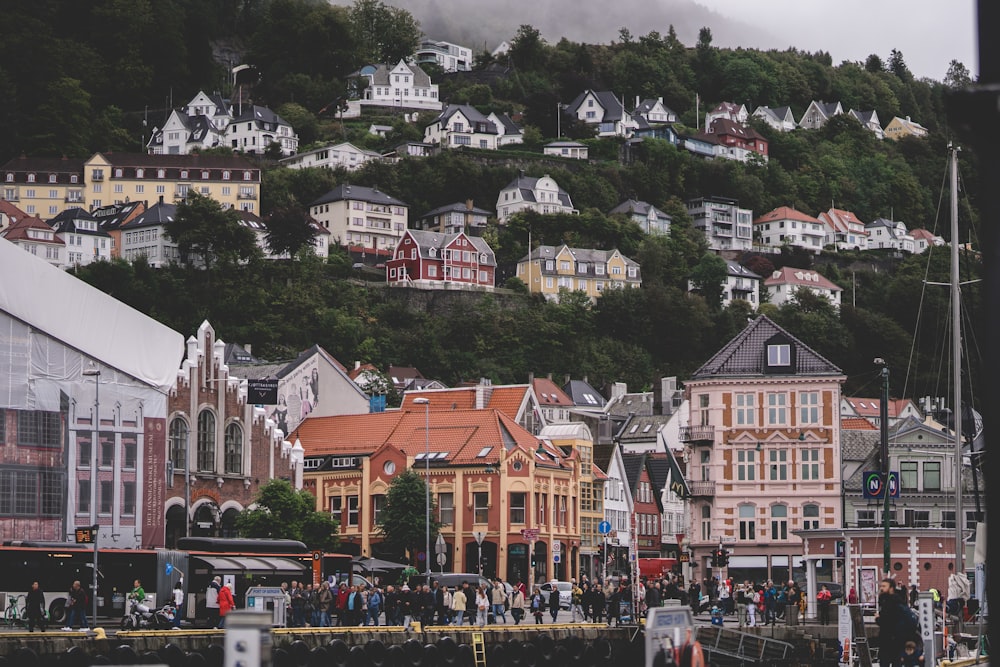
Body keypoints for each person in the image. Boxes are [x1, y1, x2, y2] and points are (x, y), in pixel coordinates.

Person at [876, 578, 909, 667]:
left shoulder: (890, 601)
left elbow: (887, 621)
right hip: (897, 639)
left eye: (884, 586)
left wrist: (878, 618)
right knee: (896, 662)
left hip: (889, 638)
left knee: (885, 661)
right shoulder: (897, 600)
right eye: (881, 586)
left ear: (891, 588)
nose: (881, 588)